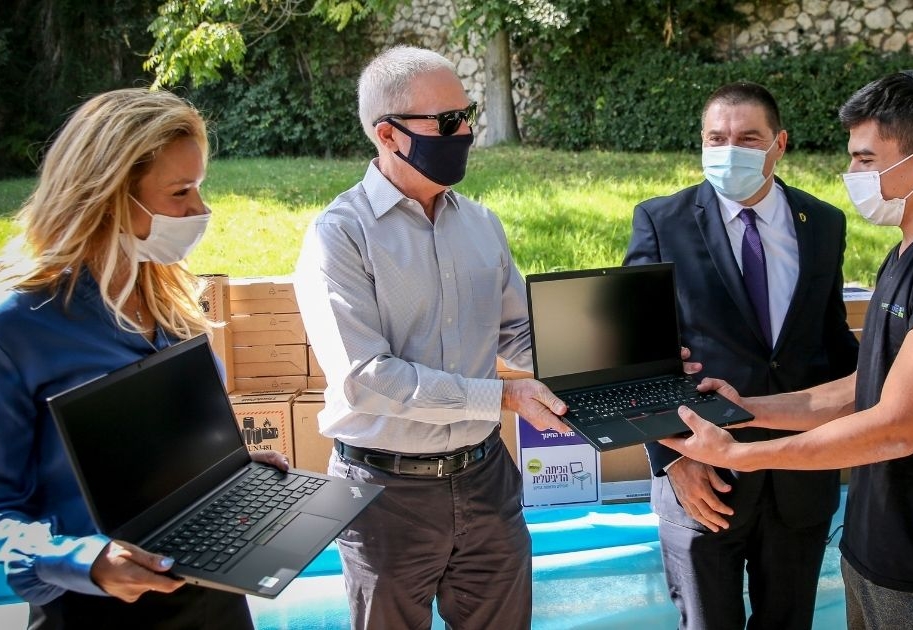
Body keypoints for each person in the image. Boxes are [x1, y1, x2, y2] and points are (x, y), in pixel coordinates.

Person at [662, 70, 913, 630]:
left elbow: (896, 426)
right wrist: (744, 410)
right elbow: (864, 389)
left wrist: (742, 454)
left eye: (864, 159)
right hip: (876, 546)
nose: (852, 174)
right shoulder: (905, 256)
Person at [292, 45, 570, 630]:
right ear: (388, 134)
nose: (464, 132)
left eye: (467, 115)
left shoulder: (482, 224)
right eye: (446, 122)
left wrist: (615, 356)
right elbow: (366, 379)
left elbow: (517, 333)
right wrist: (501, 397)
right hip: (383, 494)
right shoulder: (339, 236)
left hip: (486, 479)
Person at [0, 88, 288, 628]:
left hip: (215, 589)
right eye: (180, 192)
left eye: (199, 187)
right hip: (97, 609)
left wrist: (230, 468)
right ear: (108, 195)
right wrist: (87, 562)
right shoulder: (17, 328)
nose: (200, 210)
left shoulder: (172, 300)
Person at [624, 81, 859, 629]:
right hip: (703, 477)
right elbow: (638, 355)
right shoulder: (662, 221)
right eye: (717, 138)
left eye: (748, 138)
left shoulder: (824, 223)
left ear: (780, 144)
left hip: (800, 478)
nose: (730, 149)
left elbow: (831, 340)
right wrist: (672, 462)